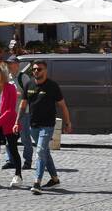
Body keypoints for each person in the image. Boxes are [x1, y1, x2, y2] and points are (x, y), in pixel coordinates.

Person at [15, 60, 72, 195]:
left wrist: (68, 123)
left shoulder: (52, 86)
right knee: (44, 152)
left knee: (40, 151)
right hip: (33, 125)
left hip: (47, 125)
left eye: (39, 69)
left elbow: (63, 106)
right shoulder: (29, 85)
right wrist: (17, 121)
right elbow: (22, 105)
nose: (36, 71)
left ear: (45, 71)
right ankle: (55, 179)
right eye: (34, 69)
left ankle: (37, 182)